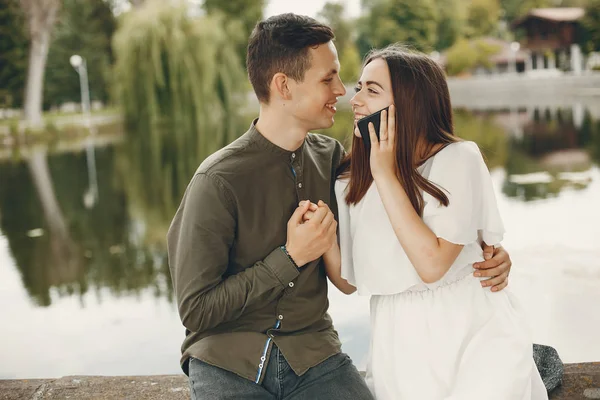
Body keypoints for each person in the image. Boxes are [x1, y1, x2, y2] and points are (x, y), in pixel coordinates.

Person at [167, 14, 512, 400]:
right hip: (230, 360)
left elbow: (403, 219)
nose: (343, 90)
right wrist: (289, 257)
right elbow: (195, 311)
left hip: (313, 356)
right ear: (283, 86)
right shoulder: (217, 180)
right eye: (328, 78)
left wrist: (480, 250)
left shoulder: (333, 160)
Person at [311, 45, 547, 399]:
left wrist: (385, 175)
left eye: (372, 90)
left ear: (411, 103)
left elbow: (433, 264)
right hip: (399, 342)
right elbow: (348, 281)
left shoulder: (457, 159)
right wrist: (326, 237)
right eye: (359, 87)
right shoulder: (350, 179)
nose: (355, 101)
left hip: (472, 330)